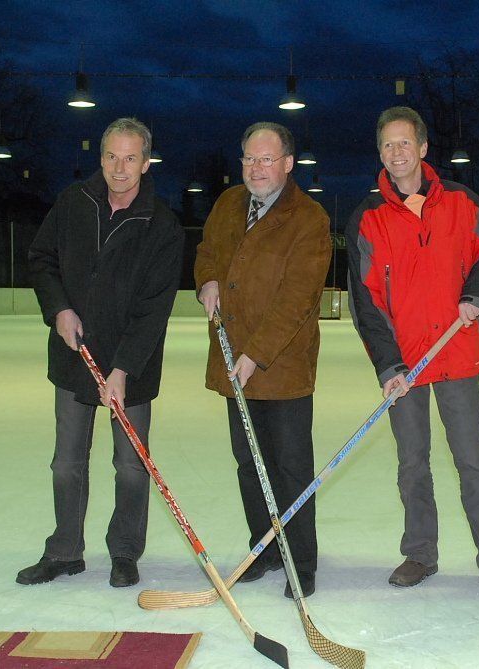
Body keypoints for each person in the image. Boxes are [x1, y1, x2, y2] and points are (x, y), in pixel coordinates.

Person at [346, 106, 479, 598]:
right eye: (388, 145)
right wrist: (388, 364)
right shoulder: (367, 217)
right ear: (380, 153)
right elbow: (365, 301)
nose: (396, 152)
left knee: (472, 460)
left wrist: (476, 294)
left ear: (423, 148)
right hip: (405, 365)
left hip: (455, 354)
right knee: (412, 464)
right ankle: (420, 553)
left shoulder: (462, 201)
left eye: (405, 142)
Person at [19, 117, 184, 588]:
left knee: (130, 465)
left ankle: (125, 552)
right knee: (66, 462)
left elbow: (154, 309)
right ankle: (64, 551)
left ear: (146, 163)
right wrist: (59, 309)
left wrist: (123, 369)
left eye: (131, 158)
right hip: (74, 358)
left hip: (132, 366)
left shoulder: (162, 225)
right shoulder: (74, 202)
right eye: (112, 156)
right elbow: (42, 259)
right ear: (101, 156)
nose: (119, 167)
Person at [194, 121, 331, 599]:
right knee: (249, 463)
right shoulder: (228, 204)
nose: (256, 168)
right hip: (233, 359)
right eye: (249, 159)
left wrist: (255, 354)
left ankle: (301, 561)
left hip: (282, 367)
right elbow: (207, 252)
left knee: (290, 467)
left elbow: (298, 298)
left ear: (288, 164)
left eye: (267, 159)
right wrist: (207, 281)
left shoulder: (309, 218)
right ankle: (265, 548)